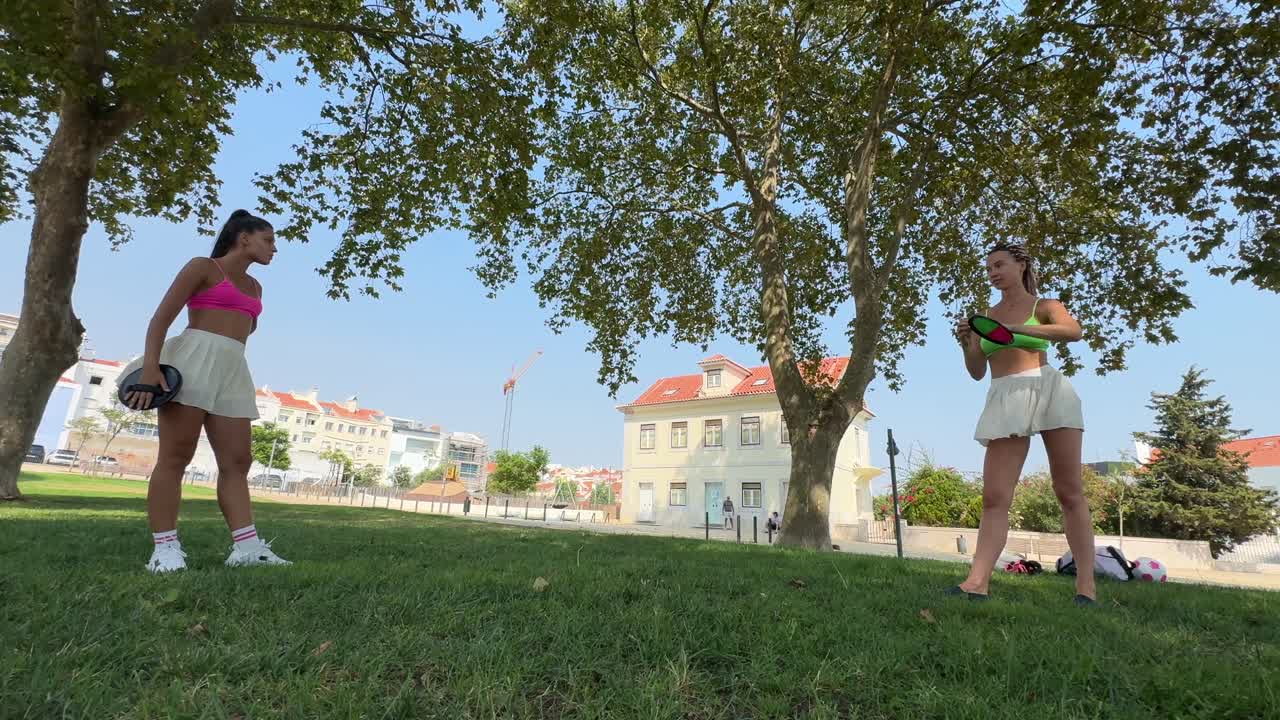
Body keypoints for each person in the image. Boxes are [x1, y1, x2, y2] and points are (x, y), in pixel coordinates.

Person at [120, 210, 291, 573]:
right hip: (193, 363)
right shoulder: (203, 267)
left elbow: (245, 329)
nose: (274, 249)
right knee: (176, 456)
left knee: (238, 461)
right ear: (244, 238)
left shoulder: (257, 288)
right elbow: (160, 319)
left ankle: (247, 549)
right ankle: (165, 550)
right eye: (269, 240)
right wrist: (151, 370)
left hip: (233, 370)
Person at [949, 243, 1095, 605]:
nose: (993, 272)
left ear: (1021, 264)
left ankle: (1086, 588)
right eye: (988, 269)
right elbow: (977, 372)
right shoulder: (985, 315)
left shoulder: (1043, 306)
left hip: (1047, 389)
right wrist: (968, 344)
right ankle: (976, 582)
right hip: (1005, 396)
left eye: (999, 265)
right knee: (995, 496)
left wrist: (1011, 329)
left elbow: (1073, 332)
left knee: (1068, 491)